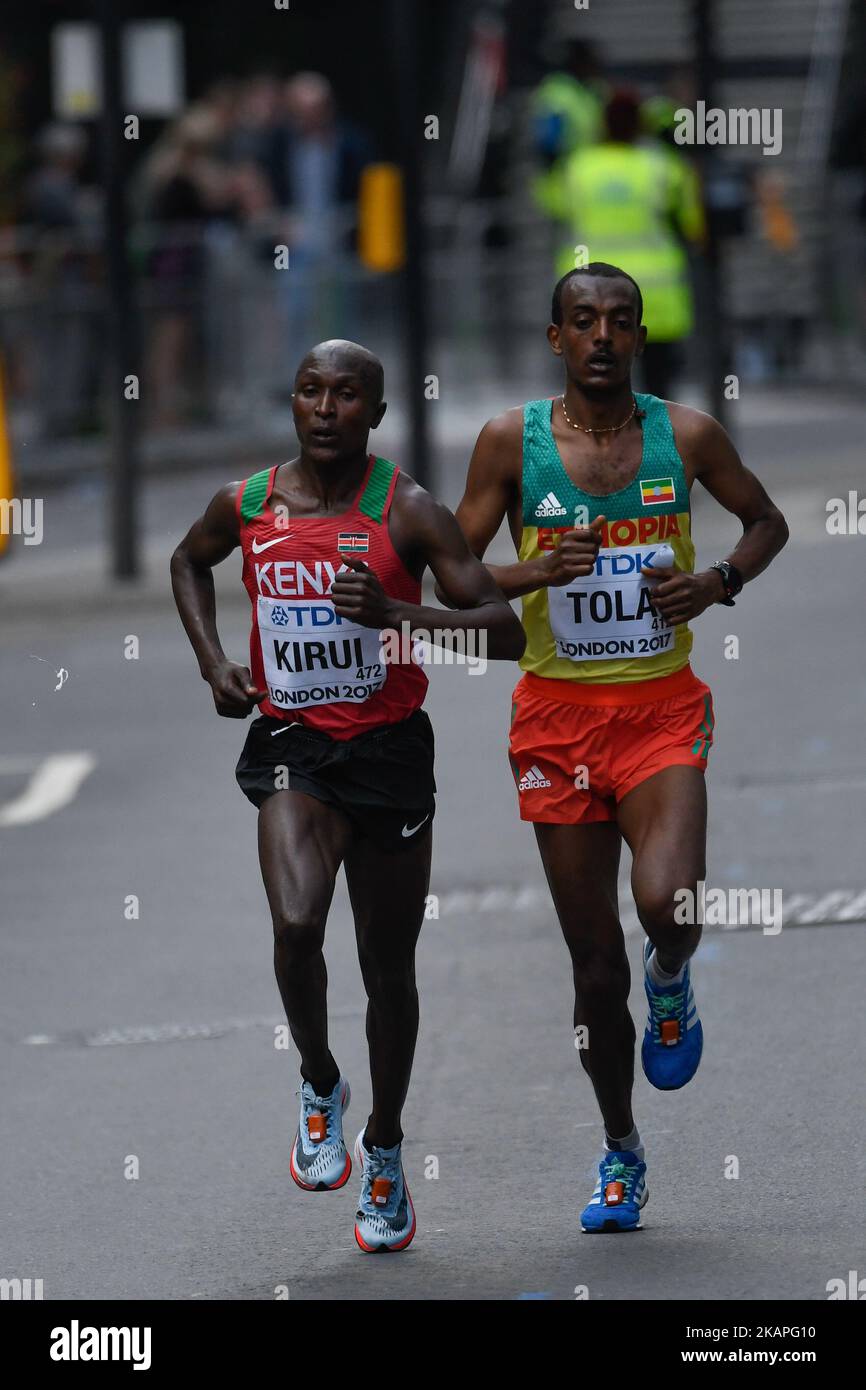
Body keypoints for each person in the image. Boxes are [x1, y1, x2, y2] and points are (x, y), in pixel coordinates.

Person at [446, 264, 788, 1232]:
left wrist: (716, 580)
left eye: (619, 321)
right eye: (582, 321)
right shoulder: (509, 443)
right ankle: (618, 1149)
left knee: (664, 903)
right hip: (554, 721)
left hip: (659, 709)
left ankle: (671, 976)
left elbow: (766, 520)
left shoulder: (683, 435)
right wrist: (529, 570)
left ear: (638, 336)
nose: (601, 335)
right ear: (553, 337)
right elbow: (454, 570)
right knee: (592, 968)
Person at [170, 339, 524, 1252]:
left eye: (347, 395)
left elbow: (504, 630)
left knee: (386, 967)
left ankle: (387, 1145)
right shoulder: (247, 505)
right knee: (296, 922)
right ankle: (320, 1080)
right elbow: (186, 561)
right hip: (293, 744)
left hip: (390, 751)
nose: (326, 409)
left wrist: (399, 615)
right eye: (310, 392)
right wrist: (215, 664)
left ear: (376, 412)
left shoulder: (409, 512)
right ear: (293, 404)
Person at [541, 91, 705, 399]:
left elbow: (552, 201)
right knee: (660, 393)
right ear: (639, 125)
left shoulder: (578, 167)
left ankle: (600, 447)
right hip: (657, 294)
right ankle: (656, 445)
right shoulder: (662, 167)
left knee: (597, 390)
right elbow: (694, 225)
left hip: (589, 292)